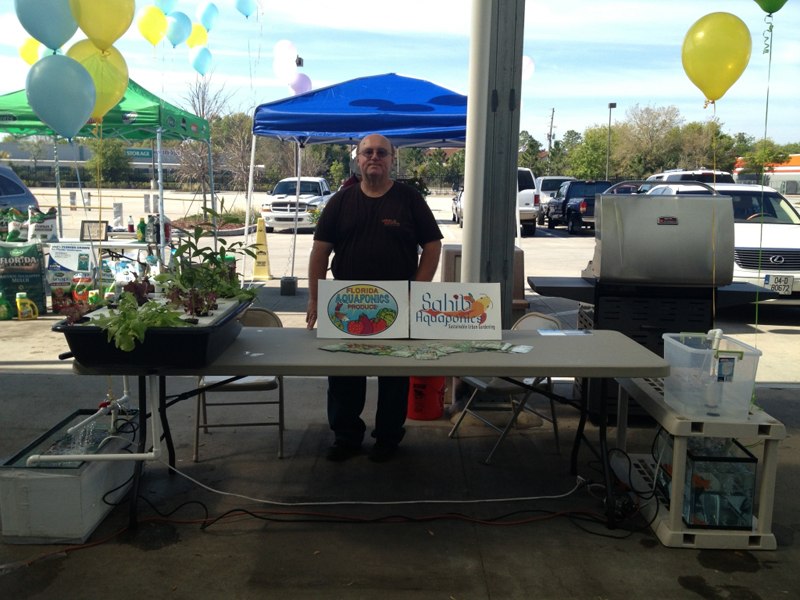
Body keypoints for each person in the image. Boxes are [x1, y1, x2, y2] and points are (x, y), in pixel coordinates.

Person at [306, 133, 443, 463]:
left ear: (392, 159)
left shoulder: (409, 200)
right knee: (343, 375)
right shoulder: (340, 201)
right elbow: (320, 252)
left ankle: (388, 438)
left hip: (397, 305)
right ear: (358, 159)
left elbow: (433, 246)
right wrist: (314, 298)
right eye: (368, 152)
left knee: (394, 378)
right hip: (345, 305)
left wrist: (417, 289)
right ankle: (346, 436)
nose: (374, 157)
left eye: (382, 152)